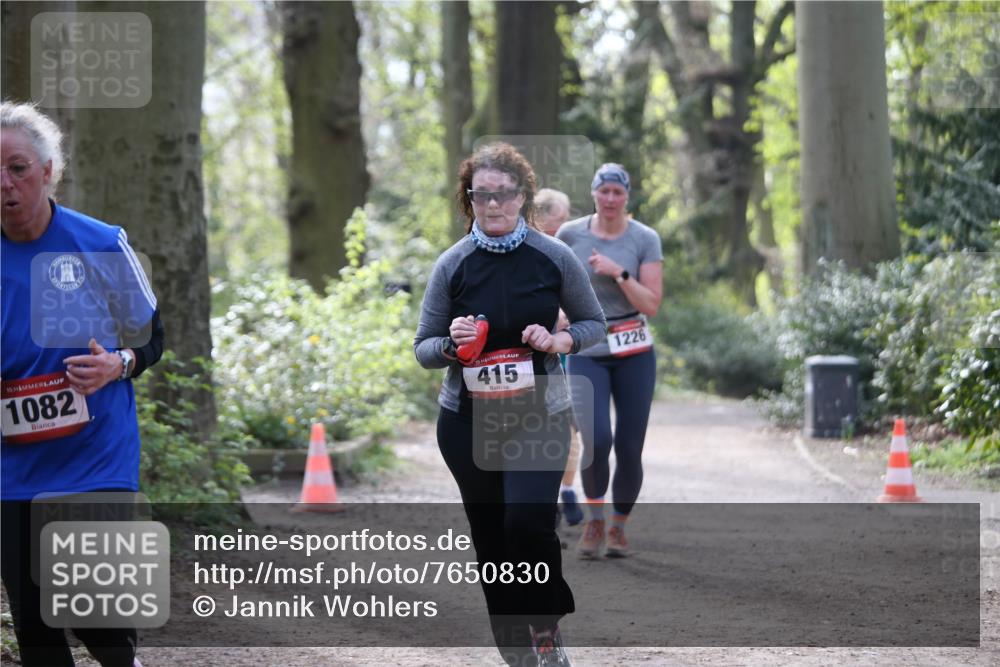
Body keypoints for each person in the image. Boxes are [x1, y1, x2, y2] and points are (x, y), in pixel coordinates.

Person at [414, 144, 605, 666]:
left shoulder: (553, 256)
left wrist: (558, 341)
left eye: (503, 194)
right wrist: (452, 345)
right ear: (468, 198)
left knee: (526, 523)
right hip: (467, 423)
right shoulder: (452, 265)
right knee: (493, 536)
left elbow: (593, 324)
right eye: (481, 195)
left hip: (539, 413)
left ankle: (545, 630)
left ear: (521, 196)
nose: (492, 205)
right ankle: (514, 647)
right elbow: (423, 348)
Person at [1, 102, 163, 667]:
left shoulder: (99, 242)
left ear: (48, 171)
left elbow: (152, 338)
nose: (4, 184)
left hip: (96, 458)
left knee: (98, 617)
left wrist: (119, 364)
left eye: (17, 168)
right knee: (39, 629)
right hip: (15, 467)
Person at [555, 163, 663, 559]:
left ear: (627, 196)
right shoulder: (570, 235)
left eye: (618, 193)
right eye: (605, 192)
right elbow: (554, 287)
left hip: (634, 351)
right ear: (594, 193)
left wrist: (619, 273)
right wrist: (559, 319)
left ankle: (618, 527)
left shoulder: (644, 238)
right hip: (588, 350)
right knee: (597, 440)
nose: (611, 199)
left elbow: (651, 303)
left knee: (630, 446)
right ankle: (595, 520)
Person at [535, 188, 584, 527]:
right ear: (541, 216)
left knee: (570, 430)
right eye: (562, 217)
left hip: (566, 359)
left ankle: (565, 490)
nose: (567, 224)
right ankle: (547, 498)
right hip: (531, 362)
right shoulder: (527, 251)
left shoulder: (567, 251)